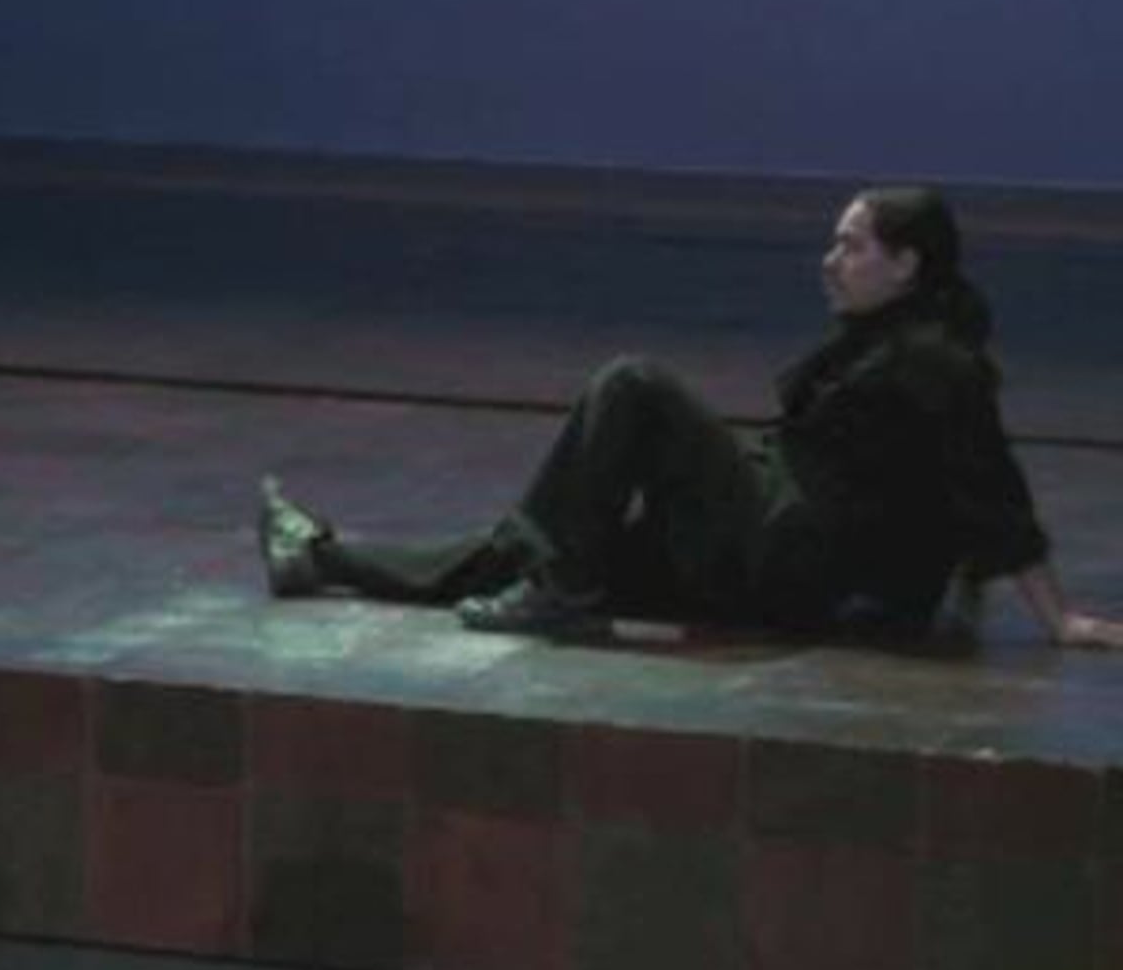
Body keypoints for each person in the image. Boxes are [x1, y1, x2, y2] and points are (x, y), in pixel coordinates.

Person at [260, 186, 1123, 649]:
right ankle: (319, 555)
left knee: (631, 384)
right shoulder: (891, 340)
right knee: (553, 539)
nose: (830, 261)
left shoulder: (935, 360)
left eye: (852, 246)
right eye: (835, 242)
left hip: (787, 559)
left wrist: (1057, 618)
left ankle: (561, 594)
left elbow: (989, 486)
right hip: (773, 531)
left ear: (906, 264)